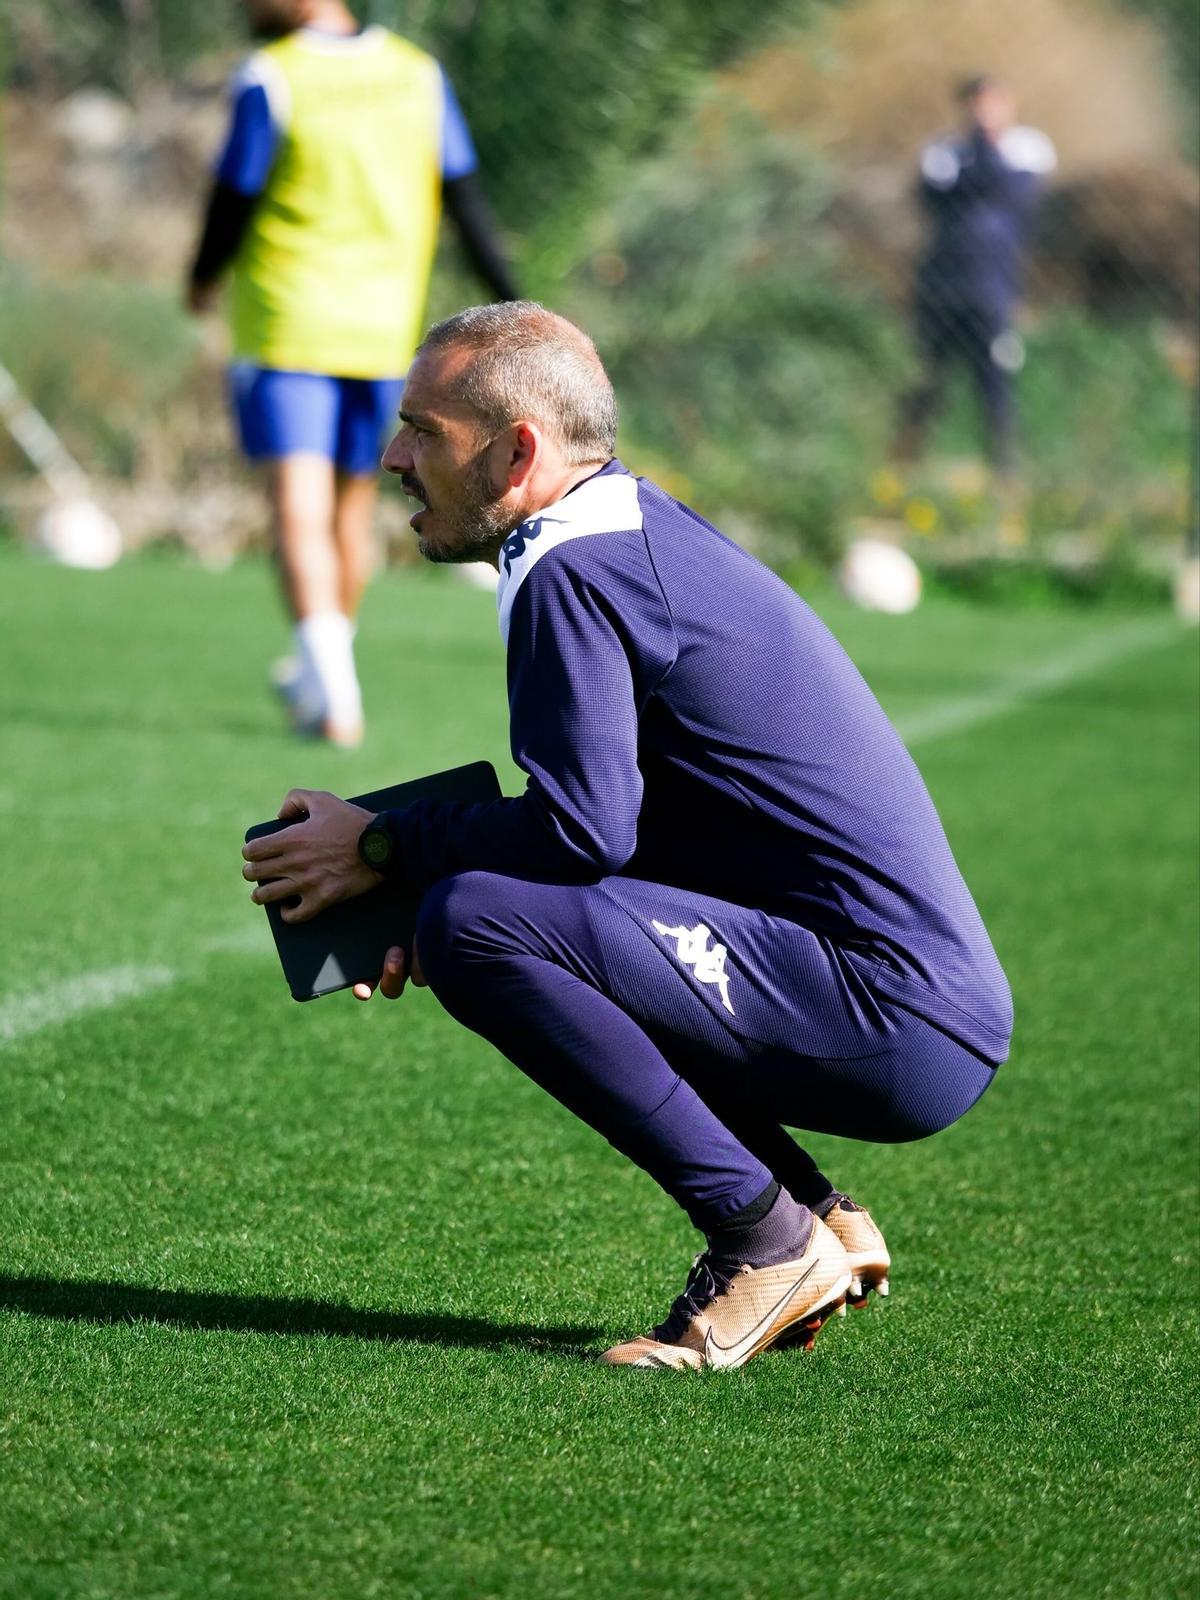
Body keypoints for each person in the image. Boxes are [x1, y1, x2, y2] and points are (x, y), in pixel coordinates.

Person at [241, 303, 1013, 1371]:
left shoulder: (569, 566)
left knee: (475, 923)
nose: (395, 456)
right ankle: (814, 1215)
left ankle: (765, 1241)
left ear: (518, 451)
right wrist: (419, 880)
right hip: (899, 996)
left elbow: (578, 829)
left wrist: (386, 849)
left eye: (423, 429)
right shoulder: (625, 525)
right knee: (476, 909)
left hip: (894, 1017)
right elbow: (632, 832)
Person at [187, 0, 517, 747]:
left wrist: (202, 279)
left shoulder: (271, 77)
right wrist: (513, 300)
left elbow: (232, 196)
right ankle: (321, 669)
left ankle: (331, 688)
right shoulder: (417, 75)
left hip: (288, 326)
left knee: (297, 507)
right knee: (350, 508)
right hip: (383, 335)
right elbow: (465, 197)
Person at [895, 76, 1056, 476]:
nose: (984, 113)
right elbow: (935, 198)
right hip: (943, 285)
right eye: (976, 104)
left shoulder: (1028, 148)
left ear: (1009, 104)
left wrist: (982, 160)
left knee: (995, 380)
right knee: (927, 376)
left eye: (993, 103)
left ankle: (1004, 470)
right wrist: (984, 166)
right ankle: (902, 464)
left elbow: (1018, 195)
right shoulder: (944, 150)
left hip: (994, 286)